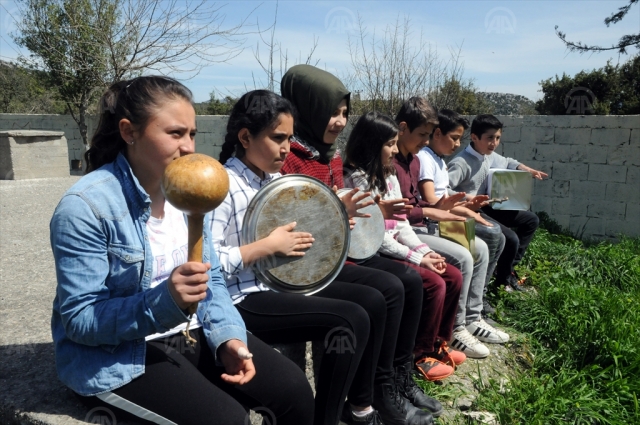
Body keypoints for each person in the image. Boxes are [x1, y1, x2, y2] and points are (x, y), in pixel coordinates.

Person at [50, 76, 314, 425]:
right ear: (129, 132)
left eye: (191, 133)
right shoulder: (86, 206)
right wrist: (166, 300)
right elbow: (81, 320)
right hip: (117, 355)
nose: (189, 147)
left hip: (189, 332)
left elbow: (213, 279)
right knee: (228, 420)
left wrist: (228, 338)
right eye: (175, 133)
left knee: (294, 391)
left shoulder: (188, 192)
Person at [213, 89, 385, 425]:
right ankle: (328, 419)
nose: (286, 148)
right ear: (245, 137)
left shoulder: (276, 181)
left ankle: (358, 408)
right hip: (241, 298)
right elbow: (208, 264)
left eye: (290, 138)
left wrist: (334, 216)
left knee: (373, 301)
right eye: (278, 138)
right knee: (349, 318)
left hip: (278, 286)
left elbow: (300, 234)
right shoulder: (224, 185)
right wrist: (264, 247)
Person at [281, 65, 437, 425]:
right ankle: (364, 402)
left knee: (405, 283)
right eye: (331, 112)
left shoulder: (329, 155)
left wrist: (364, 211)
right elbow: (289, 218)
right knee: (381, 293)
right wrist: (341, 210)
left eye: (344, 113)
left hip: (335, 253)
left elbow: (342, 210)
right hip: (304, 262)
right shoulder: (287, 157)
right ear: (306, 109)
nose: (338, 121)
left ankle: (390, 385)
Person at [343, 111, 465, 383]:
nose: (395, 149)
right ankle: (417, 356)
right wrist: (417, 258)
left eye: (395, 142)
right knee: (433, 283)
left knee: (453, 275)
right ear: (371, 144)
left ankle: (436, 343)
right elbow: (375, 236)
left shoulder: (388, 175)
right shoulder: (355, 179)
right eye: (389, 144)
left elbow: (401, 225)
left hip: (396, 246)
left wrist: (424, 251)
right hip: (373, 251)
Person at [393, 97, 508, 359]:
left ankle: (471, 316)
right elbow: (419, 206)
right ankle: (455, 329)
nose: (457, 144)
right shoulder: (417, 159)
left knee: (484, 245)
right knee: (467, 255)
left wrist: (463, 205)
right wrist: (450, 210)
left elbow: (430, 201)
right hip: (416, 227)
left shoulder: (417, 159)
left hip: (423, 222)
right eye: (423, 134)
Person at [416, 109, 506, 318]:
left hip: (444, 216)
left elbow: (443, 193)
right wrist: (466, 210)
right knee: (487, 240)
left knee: (497, 239)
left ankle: (476, 305)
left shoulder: (438, 159)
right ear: (437, 133)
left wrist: (468, 204)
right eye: (455, 138)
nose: (457, 145)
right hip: (434, 222)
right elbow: (432, 201)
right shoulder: (426, 158)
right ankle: (464, 316)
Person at [447, 114, 545, 292]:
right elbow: (443, 189)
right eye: (490, 138)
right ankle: (501, 283)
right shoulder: (461, 163)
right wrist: (468, 198)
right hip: (470, 211)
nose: (494, 142)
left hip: (487, 207)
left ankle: (506, 270)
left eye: (498, 138)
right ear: (475, 137)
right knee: (511, 239)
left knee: (531, 220)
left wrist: (527, 170)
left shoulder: (488, 155)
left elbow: (508, 162)